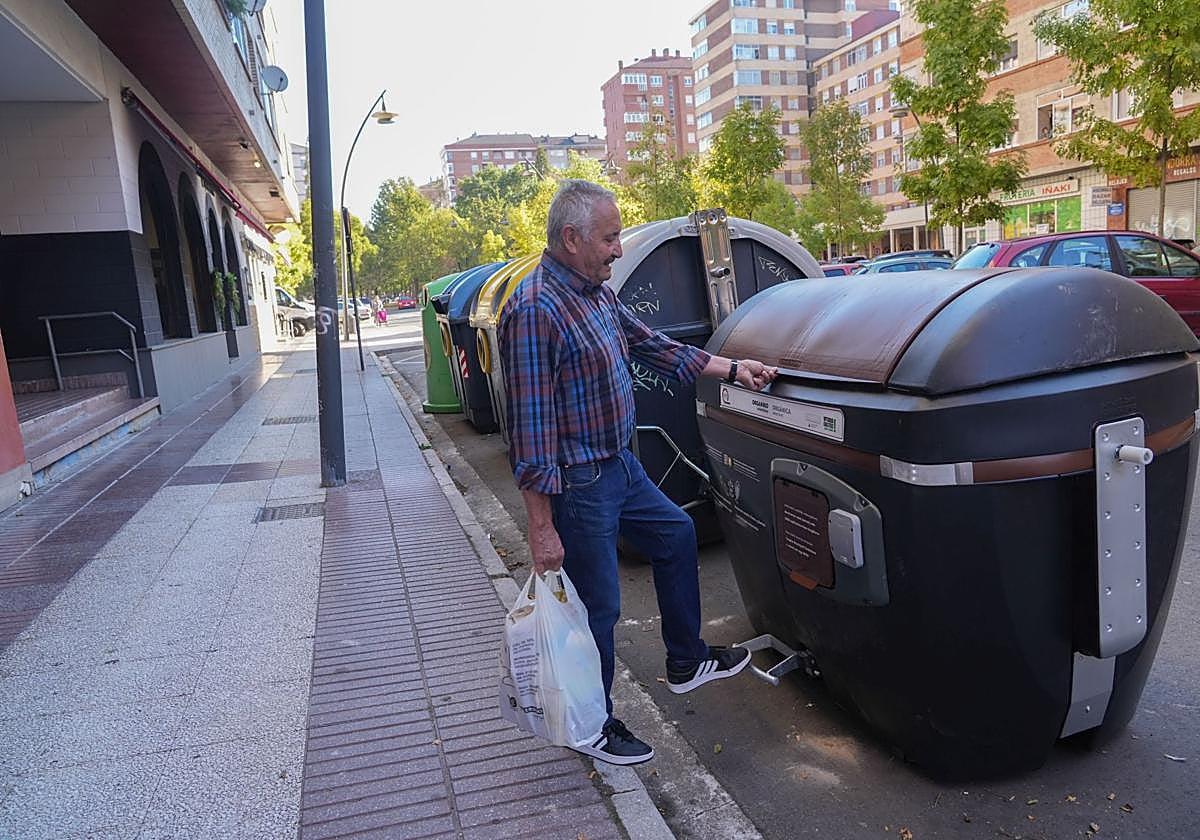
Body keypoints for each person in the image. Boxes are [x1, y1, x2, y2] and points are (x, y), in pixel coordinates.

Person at [498, 180, 778, 766]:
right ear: (571, 239)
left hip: (620, 466)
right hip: (578, 485)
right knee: (598, 608)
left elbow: (649, 344)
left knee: (676, 535)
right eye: (610, 237)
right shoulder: (535, 309)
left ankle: (685, 660)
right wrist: (541, 528)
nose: (619, 249)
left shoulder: (595, 292)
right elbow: (530, 431)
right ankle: (594, 725)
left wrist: (731, 369)